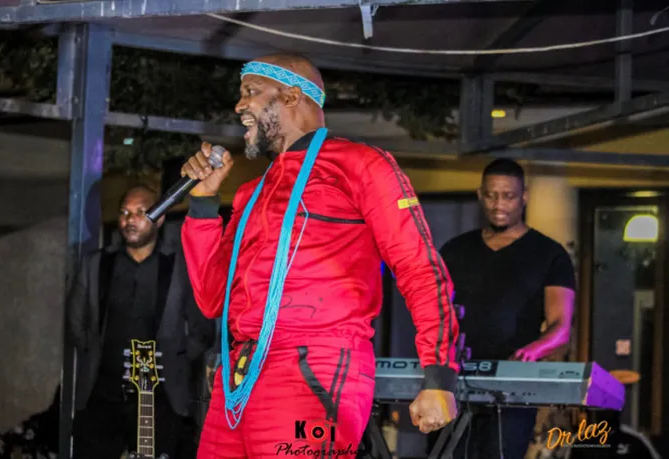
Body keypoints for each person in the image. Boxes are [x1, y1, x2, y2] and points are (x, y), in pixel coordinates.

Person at [179, 53, 460, 458]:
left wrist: (438, 375)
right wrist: (204, 205)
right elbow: (211, 298)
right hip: (239, 373)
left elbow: (419, 267)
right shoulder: (251, 193)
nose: (239, 105)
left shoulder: (361, 165)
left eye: (251, 92)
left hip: (315, 367)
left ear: (292, 96)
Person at [432, 158, 576, 459]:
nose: (499, 204)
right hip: (452, 379)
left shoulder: (550, 254)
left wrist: (532, 351)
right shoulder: (455, 250)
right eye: (491, 195)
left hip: (511, 388)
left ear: (524, 197)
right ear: (480, 195)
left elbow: (561, 327)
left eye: (509, 196)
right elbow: (434, 312)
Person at [66, 185, 217, 459]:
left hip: (162, 398)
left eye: (140, 212)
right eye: (124, 212)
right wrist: (97, 353)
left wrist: (175, 360)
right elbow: (77, 324)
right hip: (102, 394)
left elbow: (202, 330)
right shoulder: (95, 264)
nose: (130, 219)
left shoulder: (180, 267)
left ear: (159, 218)